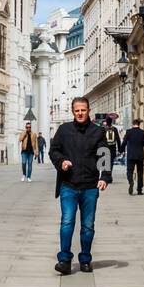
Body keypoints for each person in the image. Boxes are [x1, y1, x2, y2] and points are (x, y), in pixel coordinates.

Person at [48, 96, 111, 275]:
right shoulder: (64, 130)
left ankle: (85, 259)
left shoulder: (97, 131)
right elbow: (54, 150)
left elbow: (104, 153)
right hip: (68, 185)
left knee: (88, 225)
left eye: (83, 110)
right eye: (77, 110)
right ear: (73, 111)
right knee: (67, 222)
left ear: (88, 110)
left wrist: (105, 176)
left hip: (90, 186)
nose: (80, 113)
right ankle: (65, 260)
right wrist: (61, 162)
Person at [121, 119, 144, 195]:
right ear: (139, 124)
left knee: (129, 171)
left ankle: (131, 182)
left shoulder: (129, 132)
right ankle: (139, 190)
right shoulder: (143, 132)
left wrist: (121, 150)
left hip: (131, 155)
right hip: (140, 155)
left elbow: (124, 142)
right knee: (140, 173)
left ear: (133, 124)